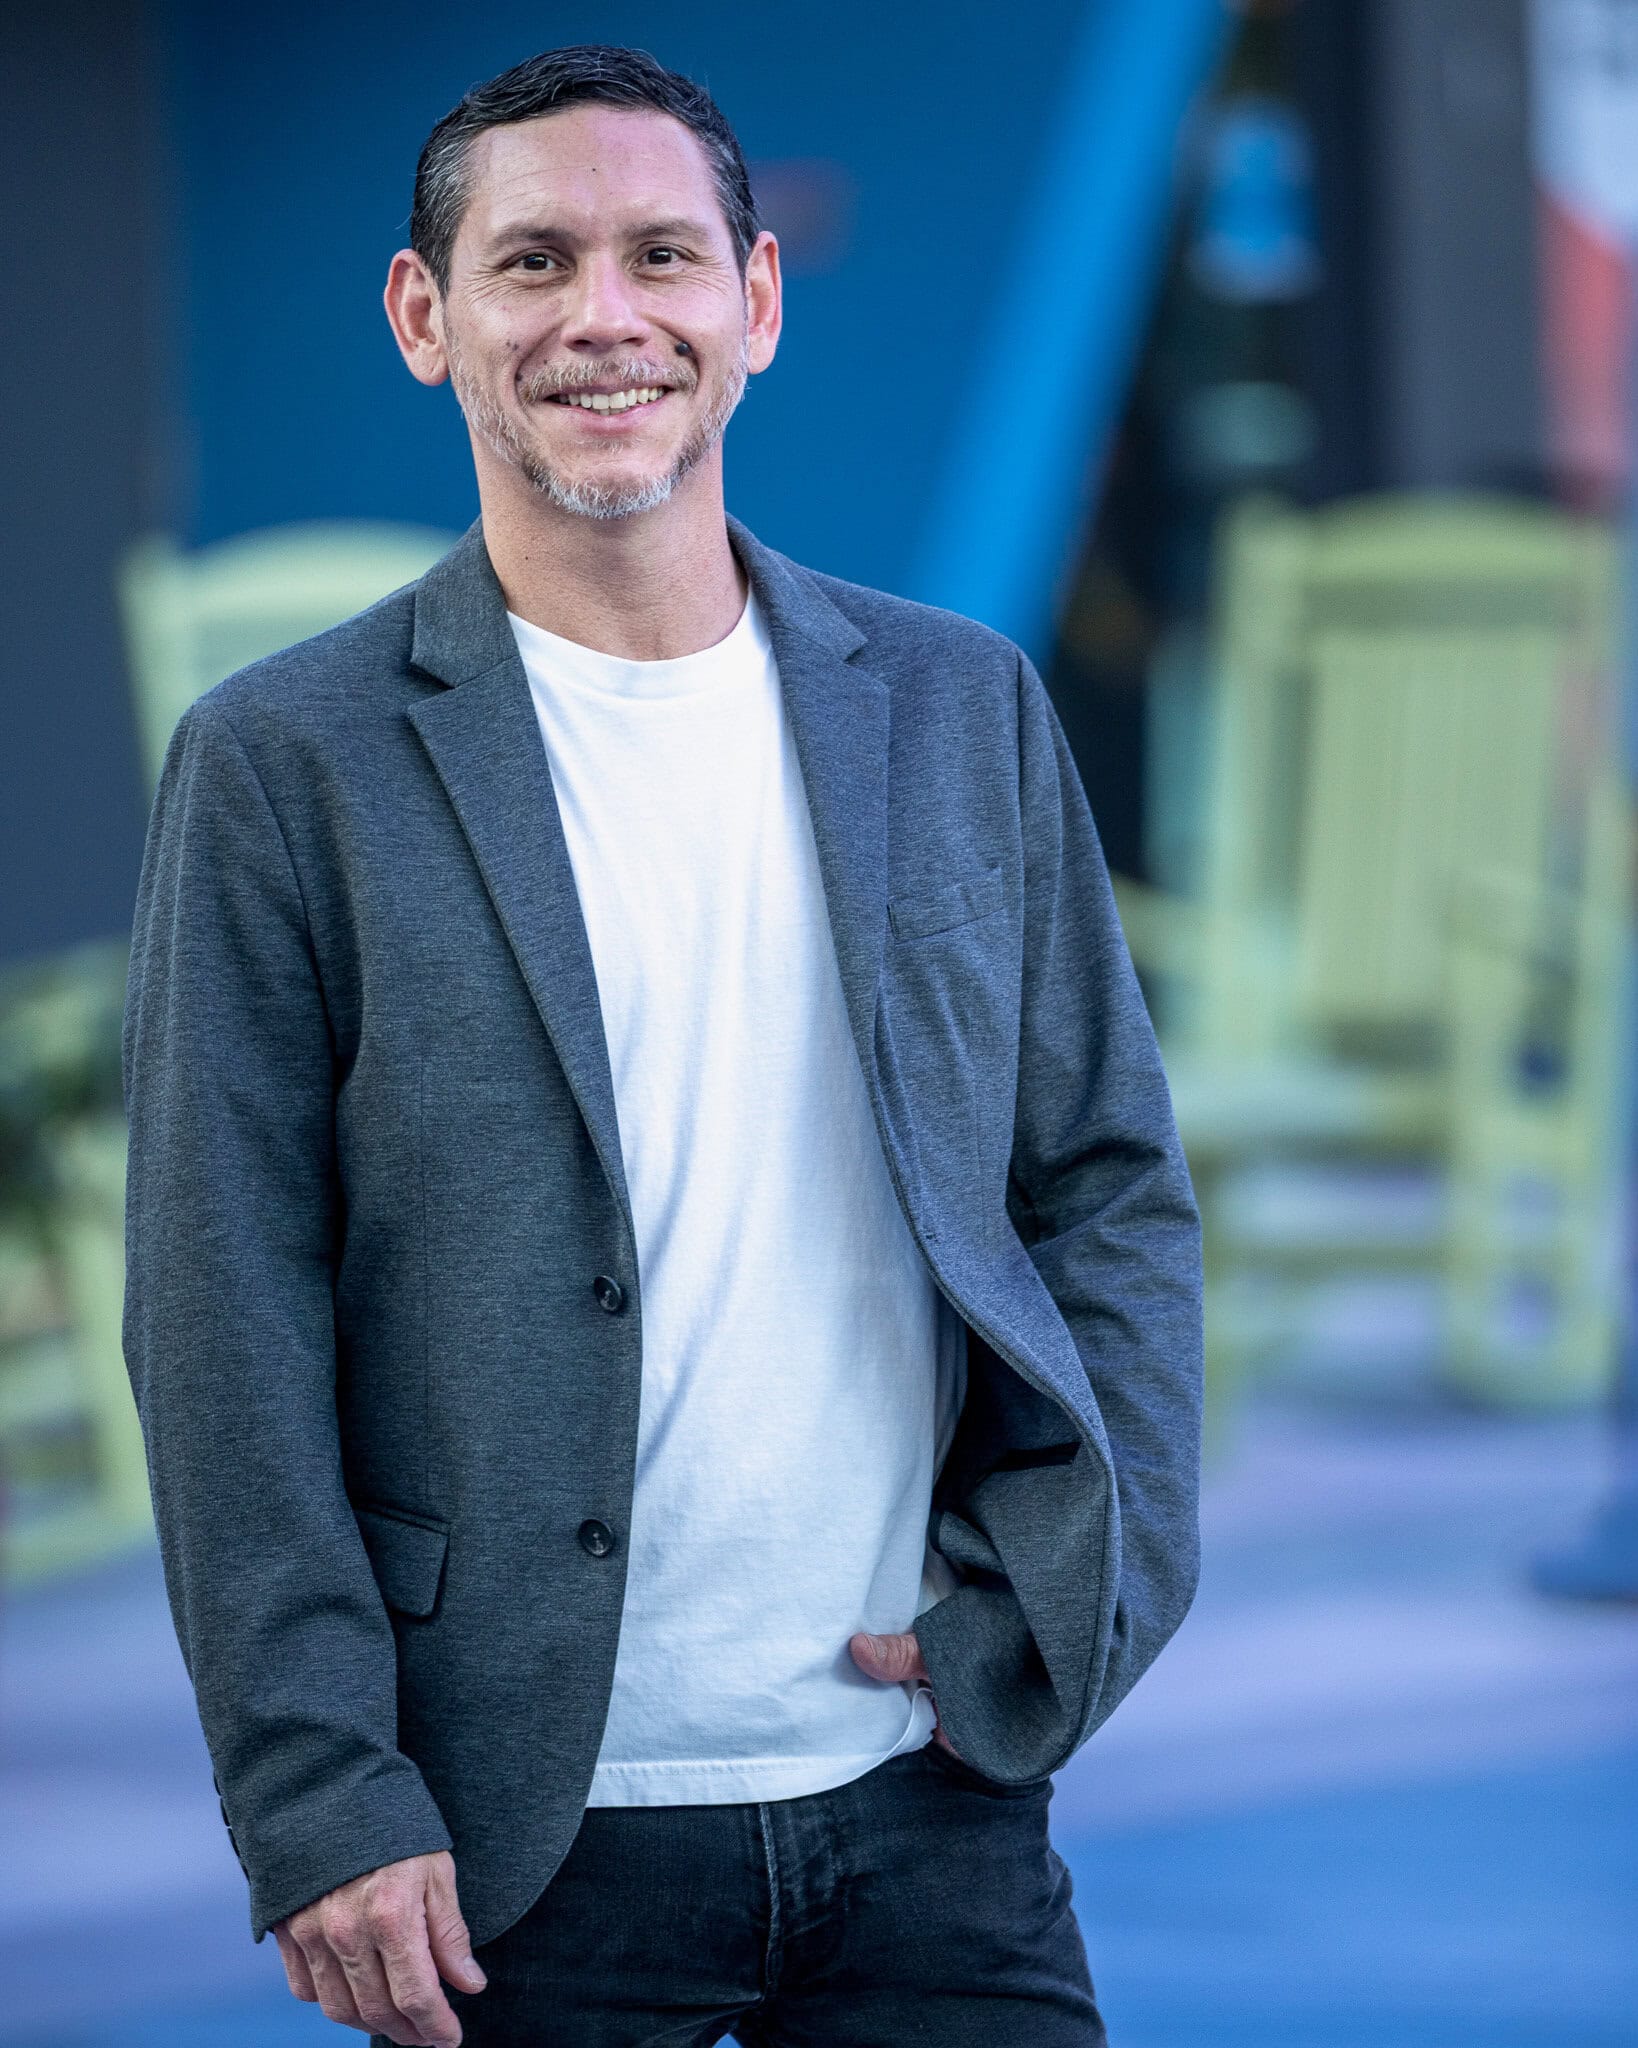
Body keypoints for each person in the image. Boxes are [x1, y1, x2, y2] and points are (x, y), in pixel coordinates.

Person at [121, 42, 1203, 2048]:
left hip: (932, 1795)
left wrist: (1082, 1594)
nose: (604, 316)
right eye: (534, 262)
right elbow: (221, 1312)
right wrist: (315, 1788)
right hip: (510, 1834)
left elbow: (1104, 1187)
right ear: (425, 316)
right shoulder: (284, 763)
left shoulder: (958, 707)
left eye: (663, 256)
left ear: (756, 301)